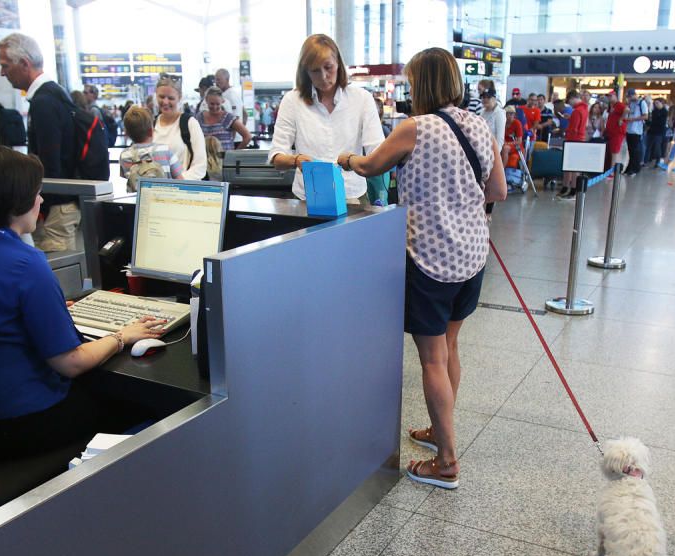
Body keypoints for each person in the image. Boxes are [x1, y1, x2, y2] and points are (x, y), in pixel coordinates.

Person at [336, 47, 505, 490]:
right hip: (471, 256)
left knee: (431, 358)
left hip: (430, 259)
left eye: (412, 82)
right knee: (449, 348)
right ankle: (438, 429)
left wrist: (345, 160)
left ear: (423, 84)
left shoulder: (414, 129)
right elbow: (499, 190)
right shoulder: (480, 127)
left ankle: (446, 461)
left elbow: (371, 165)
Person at [0, 146, 165, 460]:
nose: (41, 200)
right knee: (149, 405)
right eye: (37, 193)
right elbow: (70, 363)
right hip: (25, 421)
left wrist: (50, 312)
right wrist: (123, 336)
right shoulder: (26, 263)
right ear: (20, 202)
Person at [268, 34, 384, 203]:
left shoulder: (362, 98)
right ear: (305, 71)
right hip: (307, 198)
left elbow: (377, 151)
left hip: (352, 196)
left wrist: (353, 162)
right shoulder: (292, 100)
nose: (323, 76)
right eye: (315, 70)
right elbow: (277, 157)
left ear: (338, 63)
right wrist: (295, 160)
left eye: (328, 67)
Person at [0, 32, 80, 252]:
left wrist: (39, 207)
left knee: (59, 273)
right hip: (60, 204)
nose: (2, 72)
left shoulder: (44, 102)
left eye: (6, 65)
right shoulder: (54, 95)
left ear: (24, 63)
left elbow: (49, 161)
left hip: (56, 207)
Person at [152, 74, 207, 180]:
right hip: (155, 190)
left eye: (171, 98)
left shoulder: (190, 123)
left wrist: (179, 180)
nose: (165, 102)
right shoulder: (151, 124)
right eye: (161, 97)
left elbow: (200, 165)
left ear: (179, 98)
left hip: (182, 190)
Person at [118, 105, 183, 191]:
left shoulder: (124, 155)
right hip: (164, 202)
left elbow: (126, 178)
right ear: (151, 131)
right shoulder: (165, 151)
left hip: (137, 203)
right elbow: (180, 180)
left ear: (127, 133)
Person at [196, 86, 252, 151]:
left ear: (222, 101)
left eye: (217, 104)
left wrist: (234, 154)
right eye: (212, 104)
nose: (215, 107)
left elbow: (248, 136)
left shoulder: (228, 118)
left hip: (225, 159)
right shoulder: (199, 117)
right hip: (205, 159)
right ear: (206, 100)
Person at [558, 90, 587, 200]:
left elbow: (574, 129)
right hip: (580, 140)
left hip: (573, 141)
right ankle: (569, 188)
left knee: (572, 167)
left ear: (573, 98)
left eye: (570, 101)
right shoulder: (584, 109)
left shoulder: (576, 111)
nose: (570, 104)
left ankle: (572, 190)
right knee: (574, 167)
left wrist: (567, 131)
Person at [622, 88, 648, 176]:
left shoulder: (641, 103)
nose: (629, 98)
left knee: (635, 150)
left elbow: (645, 116)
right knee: (630, 150)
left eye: (630, 96)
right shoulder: (630, 104)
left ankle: (635, 168)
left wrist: (633, 119)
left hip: (636, 130)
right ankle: (630, 167)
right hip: (629, 130)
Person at [479, 88, 505, 155]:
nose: (485, 99)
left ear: (494, 98)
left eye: (488, 97)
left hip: (493, 151)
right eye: (483, 97)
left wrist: (496, 155)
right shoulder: (482, 112)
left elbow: (500, 138)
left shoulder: (499, 113)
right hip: (482, 149)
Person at [605, 93, 628, 171]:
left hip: (617, 132)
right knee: (613, 151)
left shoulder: (618, 105)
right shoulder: (612, 106)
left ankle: (612, 171)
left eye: (611, 96)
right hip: (612, 132)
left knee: (615, 152)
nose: (609, 98)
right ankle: (612, 170)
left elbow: (627, 109)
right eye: (608, 96)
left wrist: (621, 119)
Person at [645, 98, 668, 168]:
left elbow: (662, 122)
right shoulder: (654, 111)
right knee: (648, 146)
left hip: (659, 132)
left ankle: (658, 161)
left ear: (662, 103)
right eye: (655, 103)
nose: (656, 105)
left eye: (657, 103)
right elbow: (652, 120)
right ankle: (646, 160)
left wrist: (653, 122)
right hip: (652, 131)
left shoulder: (665, 112)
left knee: (657, 147)